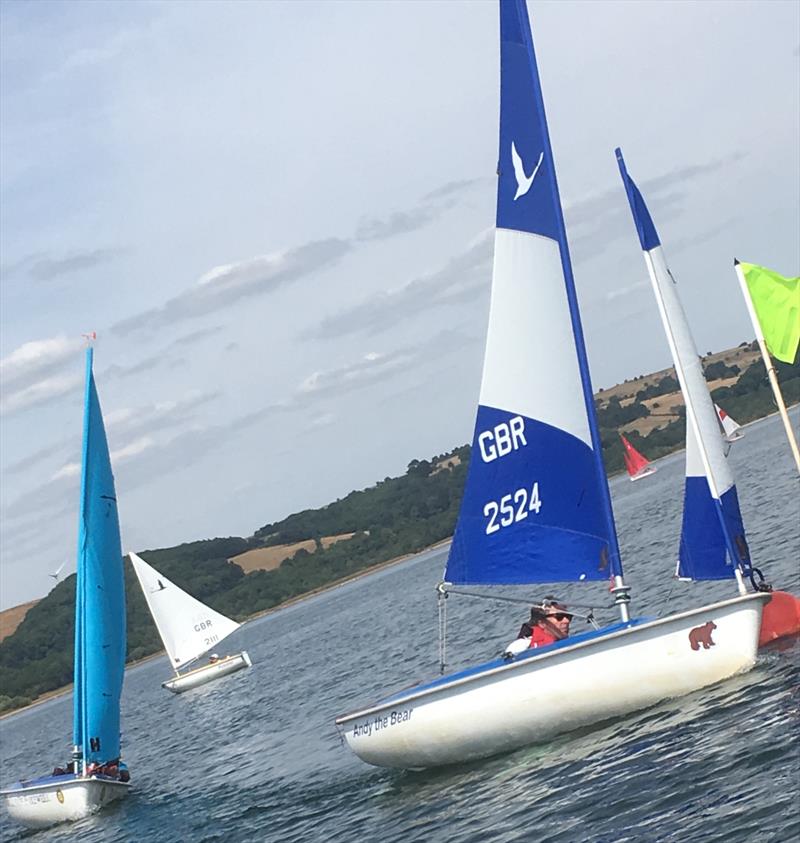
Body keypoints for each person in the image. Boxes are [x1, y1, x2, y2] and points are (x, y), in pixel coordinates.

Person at [505, 601, 572, 656]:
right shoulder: (519, 647)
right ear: (542, 623)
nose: (567, 621)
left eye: (568, 616)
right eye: (559, 617)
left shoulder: (572, 644)